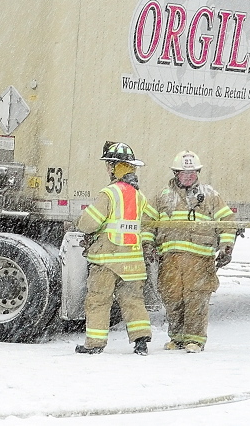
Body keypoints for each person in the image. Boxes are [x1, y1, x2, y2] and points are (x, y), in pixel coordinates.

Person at [75, 142, 157, 356]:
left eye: (109, 164)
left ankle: (95, 344)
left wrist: (81, 223)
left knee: (98, 300)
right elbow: (151, 218)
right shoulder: (139, 196)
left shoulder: (109, 193)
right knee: (133, 301)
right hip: (133, 263)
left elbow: (88, 223)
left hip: (107, 259)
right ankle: (141, 341)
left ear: (113, 167)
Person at [150, 150, 235, 353]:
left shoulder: (211, 196)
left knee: (196, 300)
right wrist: (147, 246)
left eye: (193, 173)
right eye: (184, 172)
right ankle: (177, 338)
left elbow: (228, 223)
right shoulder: (163, 197)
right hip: (170, 261)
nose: (189, 176)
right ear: (175, 173)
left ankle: (195, 340)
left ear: (198, 173)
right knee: (172, 299)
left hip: (200, 261)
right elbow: (147, 225)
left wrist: (226, 248)